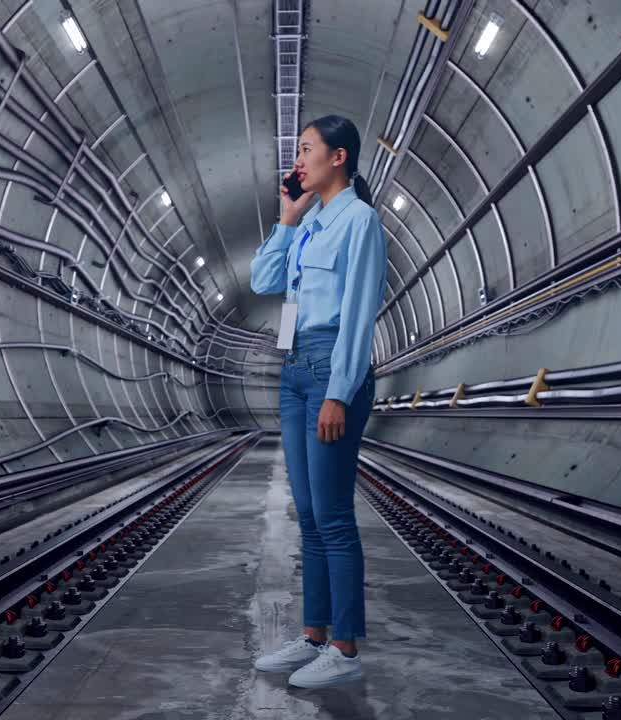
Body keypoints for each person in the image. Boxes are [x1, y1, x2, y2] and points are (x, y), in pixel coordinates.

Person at [248, 115, 387, 689]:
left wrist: (340, 392)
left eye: (307, 149)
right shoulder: (309, 225)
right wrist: (286, 219)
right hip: (295, 368)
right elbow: (262, 281)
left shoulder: (361, 222)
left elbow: (357, 318)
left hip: (332, 368)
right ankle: (313, 637)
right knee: (307, 516)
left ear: (339, 157)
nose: (297, 160)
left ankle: (346, 650)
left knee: (332, 517)